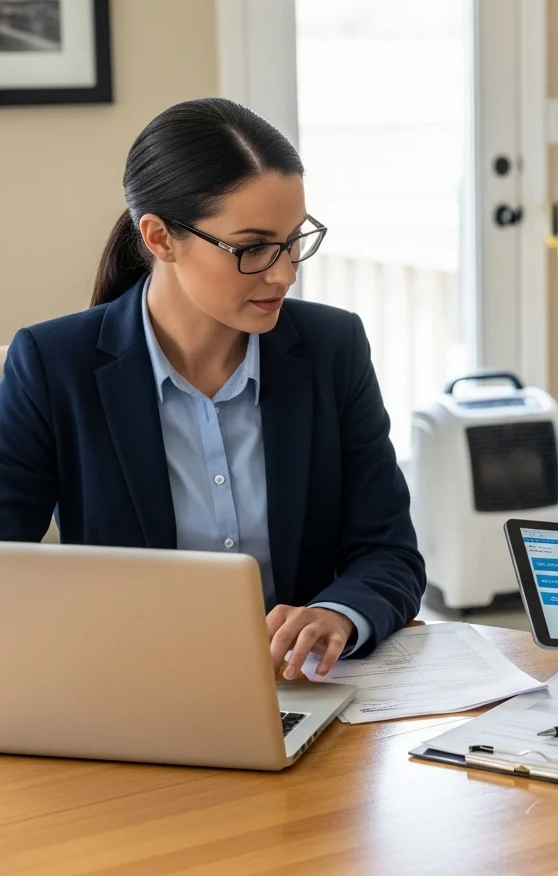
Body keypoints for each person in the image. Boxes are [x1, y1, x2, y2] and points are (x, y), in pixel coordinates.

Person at [0, 98, 426, 679]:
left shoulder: (333, 349)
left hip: (305, 690)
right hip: (131, 684)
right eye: (252, 247)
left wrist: (338, 613)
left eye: (294, 239)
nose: (284, 272)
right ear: (159, 237)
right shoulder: (54, 366)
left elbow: (389, 550)